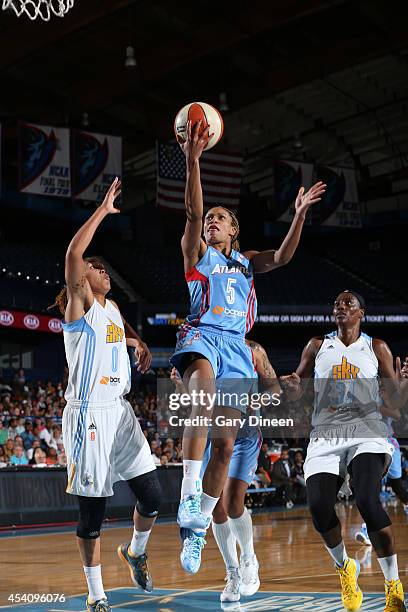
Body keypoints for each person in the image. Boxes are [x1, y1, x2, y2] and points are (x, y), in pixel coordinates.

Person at [170, 118, 326, 574]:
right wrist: (193, 162)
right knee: (200, 395)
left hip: (237, 347)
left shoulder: (245, 262)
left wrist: (297, 215)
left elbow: (282, 257)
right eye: (210, 218)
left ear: (234, 230)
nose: (212, 222)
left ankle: (197, 530)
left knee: (224, 445)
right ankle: (187, 497)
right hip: (202, 335)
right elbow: (192, 214)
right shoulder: (198, 254)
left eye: (221, 218)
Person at [54, 178, 161, 612]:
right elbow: (73, 255)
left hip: (119, 411)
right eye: (100, 269)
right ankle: (95, 597)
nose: (105, 274)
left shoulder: (114, 310)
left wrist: (137, 344)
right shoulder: (80, 305)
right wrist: (102, 209)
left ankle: (135, 552)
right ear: (87, 277)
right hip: (88, 415)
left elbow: (121, 332)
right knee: (92, 516)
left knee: (153, 498)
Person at [281, 290, 406, 611]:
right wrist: (293, 387)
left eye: (348, 304)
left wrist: (403, 385)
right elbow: (297, 391)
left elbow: (396, 404)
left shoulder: (376, 347)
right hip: (325, 434)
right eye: (336, 303)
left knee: (366, 498)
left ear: (361, 313)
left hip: (368, 432)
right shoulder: (317, 345)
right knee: (319, 508)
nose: (340, 307)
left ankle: (393, 586)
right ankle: (345, 569)